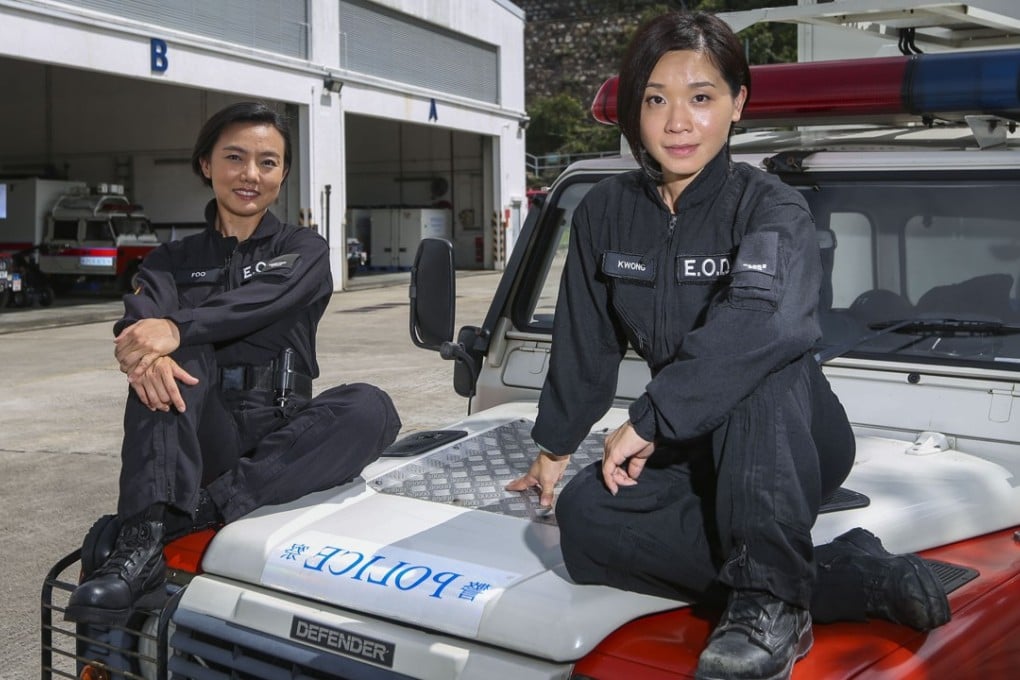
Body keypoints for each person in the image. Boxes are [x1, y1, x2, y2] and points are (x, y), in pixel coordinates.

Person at [506, 12, 950, 680]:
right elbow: (584, 340)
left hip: (790, 430)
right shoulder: (604, 213)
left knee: (754, 366)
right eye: (656, 99)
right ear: (635, 107)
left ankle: (770, 602)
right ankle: (844, 577)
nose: (677, 122)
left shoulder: (769, 208)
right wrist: (554, 449)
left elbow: (764, 325)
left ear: (738, 103)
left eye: (702, 97)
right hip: (689, 441)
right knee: (586, 517)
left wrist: (651, 418)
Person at [65, 102, 402, 625]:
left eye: (268, 162)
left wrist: (177, 326)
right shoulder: (168, 262)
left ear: (284, 173)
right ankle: (144, 540)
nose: (251, 174)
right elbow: (138, 328)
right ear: (206, 164)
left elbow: (264, 298)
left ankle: (201, 511)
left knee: (371, 407)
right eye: (235, 157)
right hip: (201, 435)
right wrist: (152, 348)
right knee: (168, 357)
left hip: (284, 438)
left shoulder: (304, 249)